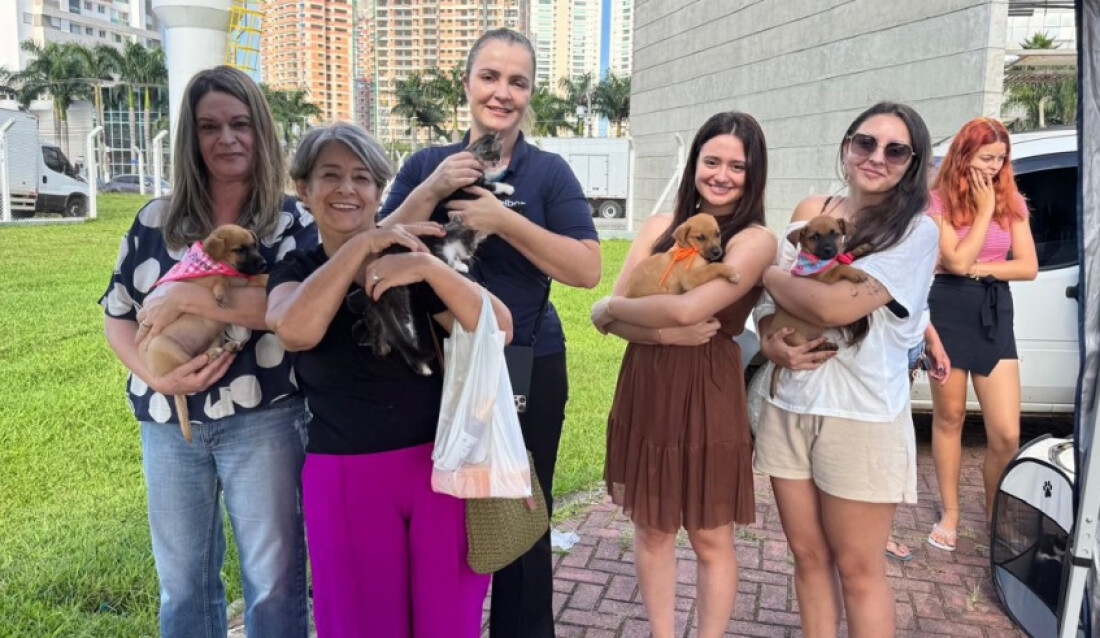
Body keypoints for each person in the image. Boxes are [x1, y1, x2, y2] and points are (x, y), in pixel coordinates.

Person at [378, 28, 600, 638]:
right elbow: (373, 248)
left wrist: (503, 220)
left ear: (530, 94)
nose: (502, 92)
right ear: (468, 83)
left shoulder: (548, 173)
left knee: (521, 516)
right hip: (434, 363)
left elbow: (586, 268)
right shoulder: (427, 163)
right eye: (490, 77)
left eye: (517, 82)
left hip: (526, 361)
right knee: (438, 512)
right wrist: (432, 189)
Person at [265, 122, 512, 637]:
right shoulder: (296, 269)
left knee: (448, 624)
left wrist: (428, 270)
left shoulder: (412, 261)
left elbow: (500, 329)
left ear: (379, 189)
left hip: (441, 468)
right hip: (345, 477)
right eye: (329, 176)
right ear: (303, 190)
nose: (347, 189)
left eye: (362, 177)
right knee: (359, 625)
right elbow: (294, 330)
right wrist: (359, 248)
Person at [99, 66, 313, 638]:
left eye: (241, 124)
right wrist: (154, 374)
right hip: (169, 422)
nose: (227, 138)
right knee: (183, 584)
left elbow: (292, 307)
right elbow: (116, 315)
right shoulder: (154, 220)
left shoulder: (291, 220)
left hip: (266, 418)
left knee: (274, 582)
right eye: (209, 126)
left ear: (261, 132)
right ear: (191, 138)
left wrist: (190, 297)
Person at [752, 102, 938, 638]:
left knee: (858, 571)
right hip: (790, 405)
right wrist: (771, 339)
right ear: (847, 146)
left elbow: (835, 310)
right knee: (807, 557)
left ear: (912, 162)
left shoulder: (916, 232)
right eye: (865, 142)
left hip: (860, 414)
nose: (877, 157)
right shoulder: (813, 210)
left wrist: (768, 273)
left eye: (895, 149)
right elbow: (769, 311)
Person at [589, 112, 775, 638]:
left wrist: (610, 310)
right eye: (711, 160)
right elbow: (623, 316)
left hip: (709, 389)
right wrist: (644, 329)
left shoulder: (754, 240)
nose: (721, 174)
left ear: (753, 173)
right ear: (694, 162)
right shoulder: (658, 228)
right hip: (648, 381)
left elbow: (686, 310)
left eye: (737, 166)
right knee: (652, 528)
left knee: (711, 535)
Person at [925, 117, 1037, 552]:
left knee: (1006, 433)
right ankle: (950, 513)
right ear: (963, 154)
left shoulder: (1014, 201)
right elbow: (951, 261)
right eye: (985, 157)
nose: (993, 167)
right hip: (948, 308)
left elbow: (1026, 267)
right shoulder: (937, 201)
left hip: (993, 310)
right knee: (950, 418)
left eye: (1000, 159)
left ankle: (995, 511)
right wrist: (984, 211)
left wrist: (979, 267)